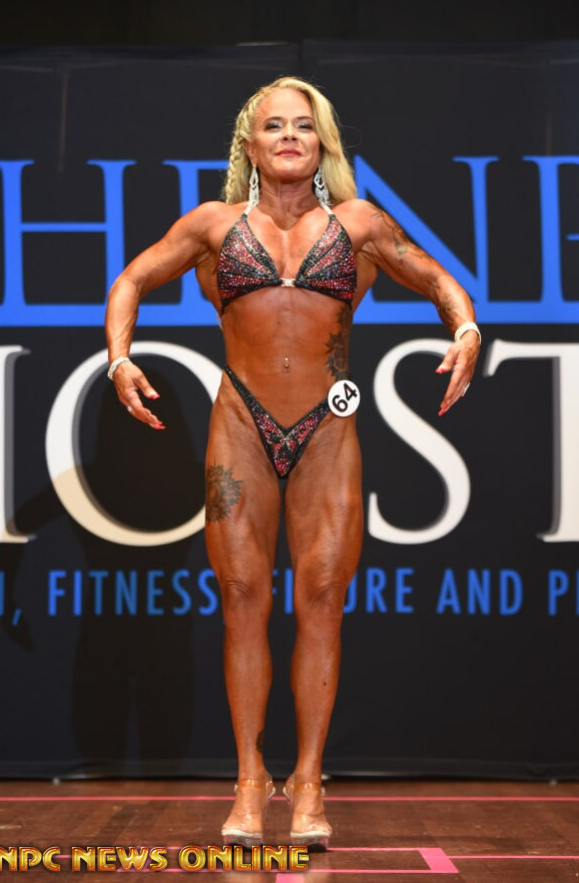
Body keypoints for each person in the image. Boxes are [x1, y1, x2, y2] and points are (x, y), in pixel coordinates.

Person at [104, 76, 480, 850]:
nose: (288, 137)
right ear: (249, 143)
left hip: (326, 431)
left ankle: (307, 781)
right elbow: (133, 277)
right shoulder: (213, 225)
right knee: (243, 597)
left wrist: (467, 329)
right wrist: (118, 358)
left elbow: (436, 277)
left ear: (321, 143)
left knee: (322, 599)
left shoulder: (358, 223)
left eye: (302, 126)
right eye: (273, 125)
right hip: (241, 425)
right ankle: (250, 779)